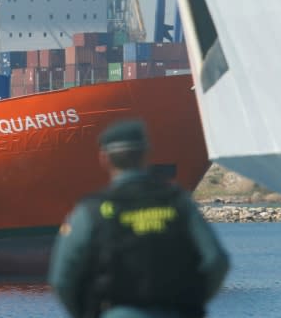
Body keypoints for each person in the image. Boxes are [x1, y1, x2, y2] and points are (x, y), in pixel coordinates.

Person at [48, 119, 229, 318]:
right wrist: (192, 303)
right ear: (146, 154)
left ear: (104, 159)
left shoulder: (91, 211)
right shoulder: (179, 203)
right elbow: (216, 260)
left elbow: (61, 278)